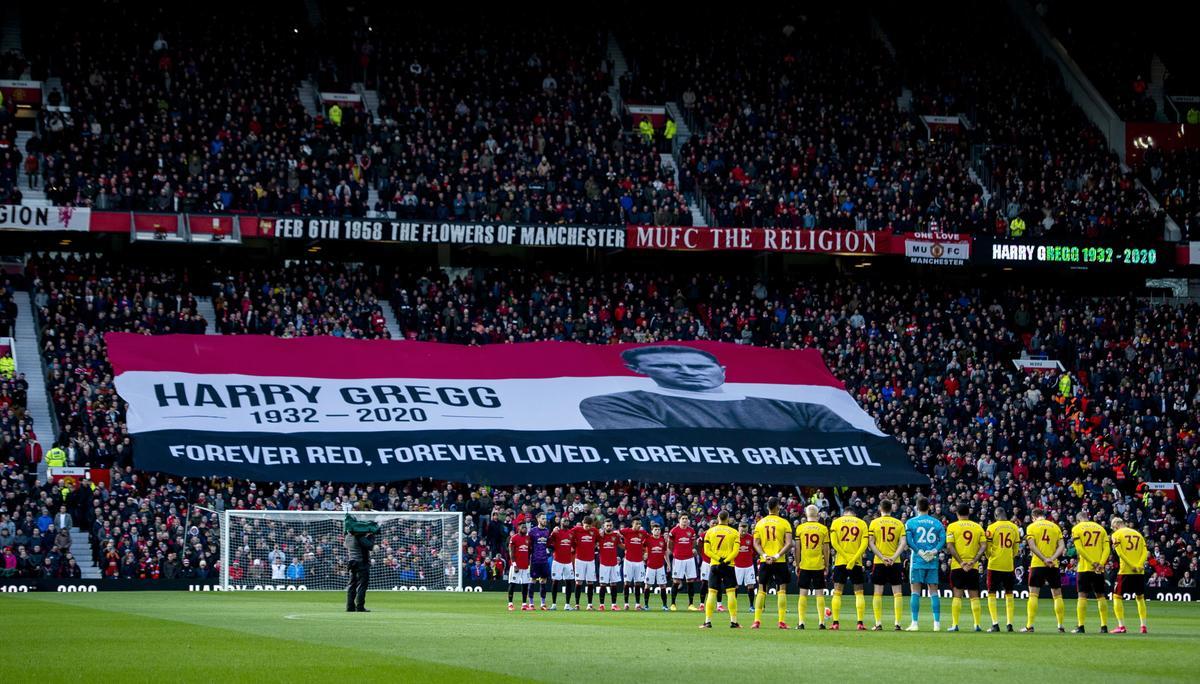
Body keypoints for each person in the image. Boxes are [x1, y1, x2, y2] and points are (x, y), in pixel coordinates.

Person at [579, 346, 856, 431]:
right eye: (670, 367)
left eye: (698, 367)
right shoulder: (610, 404)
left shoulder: (803, 408)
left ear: (721, 371)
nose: (687, 373)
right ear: (640, 371)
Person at [751, 497, 793, 629]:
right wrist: (776, 556)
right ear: (778, 507)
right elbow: (789, 543)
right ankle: (781, 621)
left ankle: (757, 621)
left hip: (765, 561)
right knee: (782, 590)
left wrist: (764, 555)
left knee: (762, 590)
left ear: (767, 508)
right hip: (779, 561)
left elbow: (756, 543)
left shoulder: (760, 523)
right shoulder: (784, 523)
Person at [1022, 508, 1066, 633]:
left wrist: (1044, 559)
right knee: (1057, 595)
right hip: (1053, 565)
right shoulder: (1055, 527)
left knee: (1033, 594)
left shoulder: (1031, 527)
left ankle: (1029, 626)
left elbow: (1032, 546)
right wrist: (1052, 558)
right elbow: (1062, 546)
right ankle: (1060, 625)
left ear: (1033, 517)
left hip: (1037, 564)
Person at [905, 496, 945, 631]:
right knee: (934, 591)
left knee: (915, 591)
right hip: (932, 561)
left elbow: (909, 541)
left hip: (917, 560)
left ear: (916, 507)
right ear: (929, 508)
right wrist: (934, 551)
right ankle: (936, 624)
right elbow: (942, 540)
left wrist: (920, 552)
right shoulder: (937, 523)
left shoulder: (910, 523)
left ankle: (915, 623)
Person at [945, 503, 986, 632]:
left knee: (957, 595)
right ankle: (977, 624)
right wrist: (974, 561)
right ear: (969, 513)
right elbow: (984, 545)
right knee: (974, 596)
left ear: (957, 513)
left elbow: (950, 546)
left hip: (958, 566)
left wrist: (961, 562)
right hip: (973, 567)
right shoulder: (977, 527)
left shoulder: (952, 526)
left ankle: (955, 624)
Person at [867, 499, 907, 631]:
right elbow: (903, 543)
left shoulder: (874, 523)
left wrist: (882, 557)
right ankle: (898, 623)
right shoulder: (899, 523)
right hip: (895, 562)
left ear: (880, 508)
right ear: (892, 509)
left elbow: (871, 543)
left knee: (878, 592)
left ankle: (878, 623)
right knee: (897, 593)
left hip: (879, 562)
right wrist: (894, 557)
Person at [698, 511, 741, 629]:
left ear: (718, 518)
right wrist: (726, 560)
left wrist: (719, 559)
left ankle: (707, 622)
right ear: (728, 519)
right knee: (731, 593)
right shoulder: (734, 532)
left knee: (711, 593)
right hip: (729, 565)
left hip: (715, 565)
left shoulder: (709, 532)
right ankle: (734, 622)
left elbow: (706, 551)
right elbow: (736, 551)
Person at [1070, 512, 1111, 633]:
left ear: (1078, 520)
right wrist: (1101, 563)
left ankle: (1081, 626)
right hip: (1099, 569)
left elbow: (1079, 549)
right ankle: (1104, 626)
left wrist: (1092, 562)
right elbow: (1107, 549)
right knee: (1101, 596)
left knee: (1082, 596)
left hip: (1085, 567)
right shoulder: (1101, 528)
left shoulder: (1076, 528)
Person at [829, 504, 868, 631]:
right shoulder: (861, 523)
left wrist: (846, 558)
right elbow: (864, 544)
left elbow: (834, 543)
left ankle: (835, 623)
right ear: (854, 515)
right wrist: (853, 559)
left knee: (837, 592)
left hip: (841, 561)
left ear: (844, 514)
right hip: (856, 562)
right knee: (859, 592)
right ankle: (860, 623)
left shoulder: (836, 522)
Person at [984, 507, 1021, 632]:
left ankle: (995, 624)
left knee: (991, 593)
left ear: (995, 515)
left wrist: (990, 556)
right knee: (1009, 593)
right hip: (1008, 565)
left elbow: (987, 547)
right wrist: (1010, 556)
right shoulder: (1014, 527)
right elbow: (1016, 548)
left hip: (994, 564)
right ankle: (1009, 624)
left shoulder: (991, 528)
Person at [1110, 517, 1149, 634]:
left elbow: (1120, 553)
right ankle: (1143, 626)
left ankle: (1121, 626)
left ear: (1116, 526)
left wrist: (1132, 565)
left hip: (1125, 570)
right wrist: (1139, 564)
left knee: (1117, 596)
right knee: (1140, 597)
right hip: (1139, 571)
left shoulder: (1116, 534)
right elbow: (1145, 552)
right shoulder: (1138, 534)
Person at [794, 504, 830, 629]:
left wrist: (797, 563)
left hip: (805, 565)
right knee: (819, 594)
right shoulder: (823, 529)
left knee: (803, 594)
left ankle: (801, 622)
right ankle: (821, 622)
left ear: (806, 514)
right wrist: (827, 565)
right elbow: (826, 549)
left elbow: (797, 548)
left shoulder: (800, 528)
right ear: (818, 514)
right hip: (818, 565)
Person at [344, 515, 377, 613]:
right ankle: (360, 606)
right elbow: (369, 546)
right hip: (361, 563)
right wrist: (371, 535)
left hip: (352, 562)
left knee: (352, 585)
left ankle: (350, 606)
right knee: (363, 585)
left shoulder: (347, 536)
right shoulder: (358, 536)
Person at [668, 514, 699, 611]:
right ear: (679, 520)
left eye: (686, 518)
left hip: (689, 559)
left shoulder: (691, 531)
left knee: (690, 581)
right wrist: (675, 552)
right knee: (676, 581)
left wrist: (693, 549)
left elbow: (693, 543)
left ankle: (691, 604)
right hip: (678, 559)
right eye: (683, 518)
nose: (685, 520)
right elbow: (670, 544)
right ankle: (673, 604)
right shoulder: (674, 531)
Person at [571, 516, 600, 610]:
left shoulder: (594, 531)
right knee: (579, 581)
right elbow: (568, 534)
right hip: (579, 560)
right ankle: (577, 604)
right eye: (586, 526)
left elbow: (599, 539)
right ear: (583, 523)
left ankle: (590, 604)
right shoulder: (576, 530)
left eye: (589, 526)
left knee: (590, 582)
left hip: (590, 560)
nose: (588, 528)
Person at [619, 518, 649, 610]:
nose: (638, 525)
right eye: (636, 524)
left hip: (639, 562)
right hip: (628, 561)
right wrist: (624, 546)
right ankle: (626, 603)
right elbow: (616, 533)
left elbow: (649, 541)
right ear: (632, 524)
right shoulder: (626, 531)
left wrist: (646, 552)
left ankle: (637, 604)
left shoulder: (643, 533)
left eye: (640, 524)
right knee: (627, 582)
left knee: (638, 583)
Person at [548, 522, 575, 610]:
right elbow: (548, 543)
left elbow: (574, 544)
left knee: (569, 582)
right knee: (555, 581)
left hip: (568, 561)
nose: (566, 523)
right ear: (561, 523)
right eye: (564, 521)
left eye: (567, 521)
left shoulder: (571, 533)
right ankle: (553, 604)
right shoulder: (556, 532)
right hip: (557, 561)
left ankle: (567, 605)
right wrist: (552, 532)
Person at [644, 523, 670, 611]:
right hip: (650, 566)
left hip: (660, 566)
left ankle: (665, 605)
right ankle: (646, 605)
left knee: (663, 585)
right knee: (647, 585)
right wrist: (644, 555)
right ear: (652, 531)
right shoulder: (648, 539)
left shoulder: (663, 540)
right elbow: (641, 547)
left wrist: (668, 564)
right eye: (655, 529)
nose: (657, 531)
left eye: (658, 529)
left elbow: (665, 553)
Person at [597, 519, 622, 610]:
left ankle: (613, 605)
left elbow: (621, 546)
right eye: (607, 525)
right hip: (604, 563)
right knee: (603, 584)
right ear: (604, 526)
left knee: (614, 584)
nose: (609, 527)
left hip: (614, 564)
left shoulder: (615, 536)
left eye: (610, 525)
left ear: (612, 526)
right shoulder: (600, 536)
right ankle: (601, 605)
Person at [507, 521, 532, 611]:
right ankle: (510, 604)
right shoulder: (514, 538)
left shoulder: (528, 538)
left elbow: (529, 552)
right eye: (523, 527)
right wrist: (514, 564)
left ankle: (524, 604)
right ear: (519, 529)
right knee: (512, 584)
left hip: (525, 565)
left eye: (525, 528)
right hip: (516, 565)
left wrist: (529, 563)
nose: (524, 529)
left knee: (525, 585)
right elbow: (511, 552)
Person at [529, 513, 552, 610]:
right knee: (533, 580)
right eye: (543, 519)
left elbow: (548, 544)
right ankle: (531, 603)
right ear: (538, 519)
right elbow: (529, 546)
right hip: (535, 560)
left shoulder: (547, 531)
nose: (545, 520)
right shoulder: (532, 531)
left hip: (544, 560)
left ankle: (543, 603)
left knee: (543, 581)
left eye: (545, 519)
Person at [734, 521, 757, 611]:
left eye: (745, 530)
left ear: (747, 529)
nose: (743, 532)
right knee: (735, 586)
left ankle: (751, 606)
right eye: (741, 530)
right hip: (737, 566)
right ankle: (734, 605)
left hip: (749, 566)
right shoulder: (734, 537)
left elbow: (754, 550)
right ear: (738, 528)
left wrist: (751, 555)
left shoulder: (750, 538)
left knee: (750, 586)